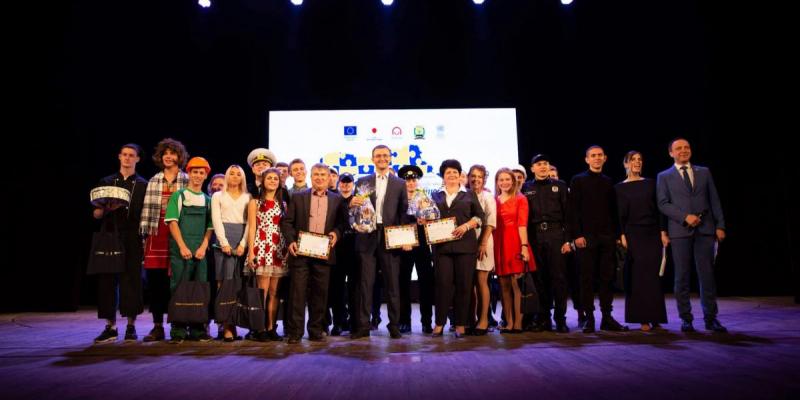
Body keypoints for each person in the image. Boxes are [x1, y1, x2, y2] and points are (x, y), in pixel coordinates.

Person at [657, 138, 727, 333]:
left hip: (705, 230)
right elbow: (663, 203)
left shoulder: (704, 172)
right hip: (680, 232)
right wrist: (684, 217)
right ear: (671, 153)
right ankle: (686, 319)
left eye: (686, 147)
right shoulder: (664, 176)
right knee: (682, 277)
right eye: (678, 148)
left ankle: (711, 318)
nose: (683, 150)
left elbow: (714, 200)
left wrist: (720, 225)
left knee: (707, 276)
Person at [281, 163, 347, 344]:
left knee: (320, 294)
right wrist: (291, 241)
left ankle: (316, 330)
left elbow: (342, 224)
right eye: (316, 174)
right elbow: (287, 222)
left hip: (323, 253)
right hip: (301, 252)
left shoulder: (337, 199)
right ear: (311, 177)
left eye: (323, 175)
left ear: (329, 178)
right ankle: (295, 332)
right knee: (297, 294)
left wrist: (336, 233)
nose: (319, 178)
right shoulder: (298, 197)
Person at [349, 145, 409, 340]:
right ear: (372, 159)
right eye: (378, 156)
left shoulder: (399, 183)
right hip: (367, 236)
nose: (382, 158)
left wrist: (405, 238)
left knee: (392, 284)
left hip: (390, 235)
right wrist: (352, 205)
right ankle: (363, 326)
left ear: (390, 158)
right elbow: (356, 210)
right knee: (365, 283)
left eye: (385, 155)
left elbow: (403, 213)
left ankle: (394, 325)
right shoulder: (363, 181)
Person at [92, 144, 147, 343]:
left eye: (131, 155)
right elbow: (96, 214)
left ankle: (131, 326)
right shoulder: (106, 182)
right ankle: (110, 327)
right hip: (109, 235)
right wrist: (107, 208)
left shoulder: (143, 184)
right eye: (124, 154)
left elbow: (145, 214)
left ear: (137, 159)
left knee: (132, 280)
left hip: (133, 236)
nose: (127, 158)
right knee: (107, 280)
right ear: (119, 157)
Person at [568, 146, 627, 333]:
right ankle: (589, 318)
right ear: (587, 159)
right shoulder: (578, 180)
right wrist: (577, 235)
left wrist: (617, 235)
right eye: (593, 156)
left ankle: (607, 317)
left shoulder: (608, 181)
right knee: (586, 279)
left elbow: (614, 211)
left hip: (607, 238)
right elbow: (573, 211)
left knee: (606, 279)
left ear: (605, 158)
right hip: (586, 238)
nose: (597, 158)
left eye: (600, 155)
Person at [139, 138, 190, 342]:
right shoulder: (154, 180)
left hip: (180, 232)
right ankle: (158, 326)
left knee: (179, 281)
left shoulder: (187, 180)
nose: (168, 156)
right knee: (156, 283)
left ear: (179, 156)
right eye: (165, 153)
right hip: (157, 233)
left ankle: (179, 325)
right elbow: (146, 211)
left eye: (172, 153)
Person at [429, 160, 484, 338]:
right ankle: (439, 323)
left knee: (464, 286)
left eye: (455, 172)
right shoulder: (435, 196)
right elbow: (429, 216)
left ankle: (461, 324)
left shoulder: (469, 194)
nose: (452, 175)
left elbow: (480, 217)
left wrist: (467, 226)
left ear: (460, 175)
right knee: (443, 285)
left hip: (465, 247)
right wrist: (424, 220)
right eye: (448, 172)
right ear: (443, 176)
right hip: (442, 248)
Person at [616, 151, 669, 331]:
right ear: (626, 164)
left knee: (653, 276)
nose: (637, 162)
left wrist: (663, 232)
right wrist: (622, 235)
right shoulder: (619, 188)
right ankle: (642, 318)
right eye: (633, 160)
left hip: (652, 233)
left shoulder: (651, 183)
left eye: (640, 159)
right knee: (637, 277)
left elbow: (659, 210)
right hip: (633, 234)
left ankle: (656, 317)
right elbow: (618, 215)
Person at [164, 156, 214, 343]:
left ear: (205, 175)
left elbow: (210, 227)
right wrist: (182, 246)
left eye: (201, 173)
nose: (198, 175)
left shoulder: (208, 200)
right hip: (181, 250)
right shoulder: (179, 196)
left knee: (199, 288)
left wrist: (203, 247)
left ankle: (197, 329)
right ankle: (178, 330)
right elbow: (172, 222)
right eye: (195, 172)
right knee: (179, 287)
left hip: (200, 251)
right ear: (189, 174)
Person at [521, 154, 572, 333]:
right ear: (532, 169)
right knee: (540, 279)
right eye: (538, 164)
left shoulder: (560, 186)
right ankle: (544, 319)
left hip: (556, 234)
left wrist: (568, 240)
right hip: (535, 236)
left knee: (559, 279)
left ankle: (560, 319)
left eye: (545, 163)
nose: (542, 167)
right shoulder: (526, 188)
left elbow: (568, 215)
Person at [245, 168, 289, 341]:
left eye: (275, 178)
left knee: (274, 292)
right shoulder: (255, 202)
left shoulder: (283, 204)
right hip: (262, 246)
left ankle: (271, 327)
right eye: (269, 178)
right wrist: (251, 252)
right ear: (263, 181)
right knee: (261, 291)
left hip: (278, 247)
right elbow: (252, 228)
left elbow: (285, 227)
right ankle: (260, 328)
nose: (272, 181)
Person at [210, 165, 251, 341]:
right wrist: (224, 242)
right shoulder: (218, 196)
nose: (234, 176)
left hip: (241, 241)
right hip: (223, 242)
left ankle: (235, 323)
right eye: (231, 174)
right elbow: (216, 220)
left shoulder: (248, 197)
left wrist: (243, 244)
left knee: (238, 284)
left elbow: (250, 223)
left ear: (242, 178)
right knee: (223, 283)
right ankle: (226, 326)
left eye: (238, 174)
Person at [494, 167, 535, 334]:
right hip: (499, 244)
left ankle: (518, 323)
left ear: (513, 181)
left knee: (517, 285)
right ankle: (509, 322)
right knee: (504, 286)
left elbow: (522, 224)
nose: (504, 182)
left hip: (516, 242)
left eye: (507, 179)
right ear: (497, 182)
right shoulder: (494, 200)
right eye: (501, 179)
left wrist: (524, 247)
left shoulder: (520, 199)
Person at [397, 165, 435, 334]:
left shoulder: (426, 198)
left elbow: (434, 218)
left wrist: (428, 220)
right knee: (403, 283)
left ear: (417, 181)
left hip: (422, 245)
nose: (411, 183)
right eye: (407, 180)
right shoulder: (397, 199)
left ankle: (426, 321)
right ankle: (404, 321)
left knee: (426, 282)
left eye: (413, 180)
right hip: (404, 244)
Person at [466, 164, 495, 336]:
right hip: (467, 243)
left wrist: (483, 243)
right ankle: (470, 320)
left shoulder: (488, 196)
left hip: (484, 242)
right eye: (473, 176)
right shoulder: (464, 195)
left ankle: (483, 320)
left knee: (481, 281)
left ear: (484, 179)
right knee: (469, 285)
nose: (476, 179)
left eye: (480, 176)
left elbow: (490, 222)